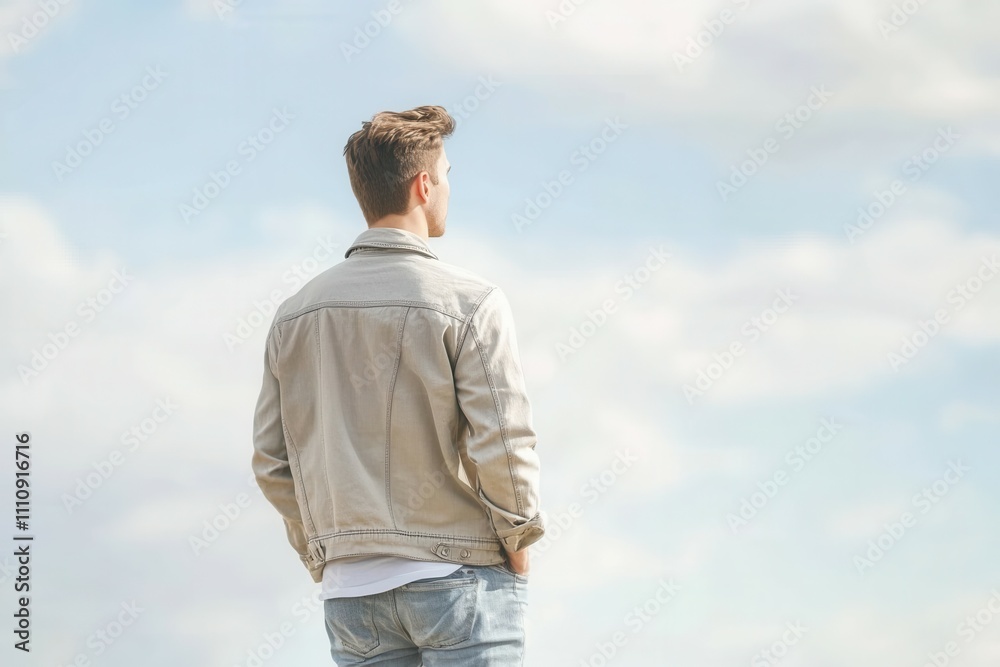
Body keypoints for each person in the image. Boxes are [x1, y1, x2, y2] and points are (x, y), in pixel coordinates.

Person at [251, 105, 544, 665]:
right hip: (458, 576)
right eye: (449, 175)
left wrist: (331, 551)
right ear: (424, 183)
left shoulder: (293, 315)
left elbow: (271, 463)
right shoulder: (470, 301)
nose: (450, 189)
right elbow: (501, 442)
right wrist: (519, 536)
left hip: (349, 593)